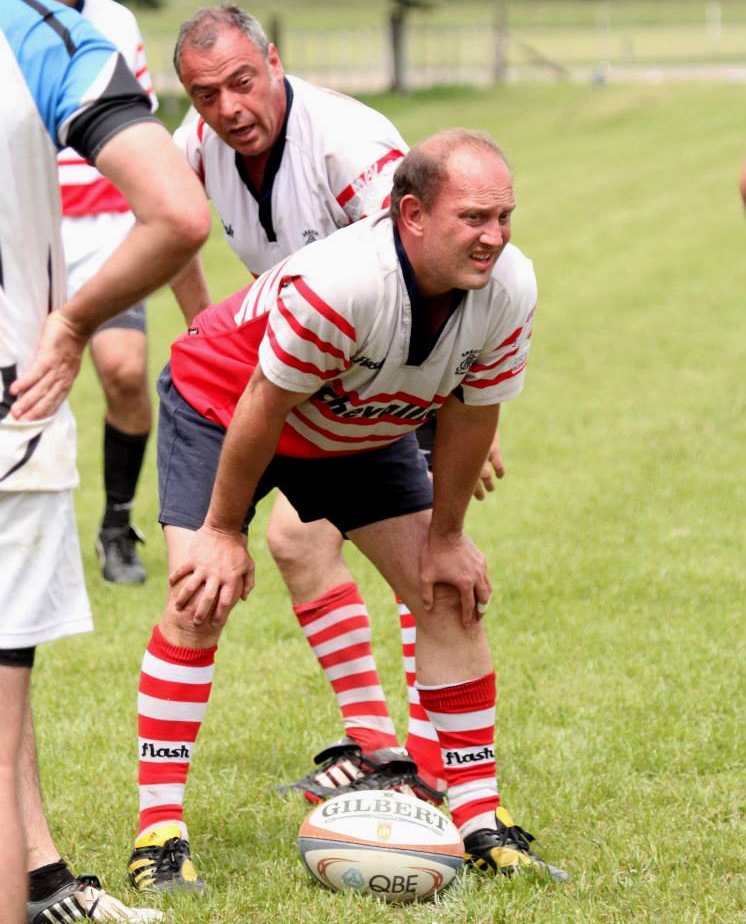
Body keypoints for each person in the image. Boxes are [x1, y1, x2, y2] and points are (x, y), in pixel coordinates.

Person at [126, 127, 567, 894]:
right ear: (411, 215)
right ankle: (159, 833)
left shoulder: (510, 287)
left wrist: (448, 537)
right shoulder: (345, 282)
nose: (494, 237)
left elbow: (470, 412)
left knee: (449, 596)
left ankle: (481, 824)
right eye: (473, 218)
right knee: (200, 594)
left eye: (505, 216)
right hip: (225, 401)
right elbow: (262, 409)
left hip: (358, 424)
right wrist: (224, 532)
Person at [0, 0, 211, 920]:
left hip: (82, 259)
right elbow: (178, 210)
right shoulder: (45, 37)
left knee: (130, 377)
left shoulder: (104, 23)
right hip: (15, 393)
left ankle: (41, 877)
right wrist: (70, 322)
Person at [29, 0, 158, 585]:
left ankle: (116, 526)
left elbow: (140, 127)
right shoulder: (12, 21)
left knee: (126, 371)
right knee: (24, 387)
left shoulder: (116, 21)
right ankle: (31, 540)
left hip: (108, 229)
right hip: (30, 230)